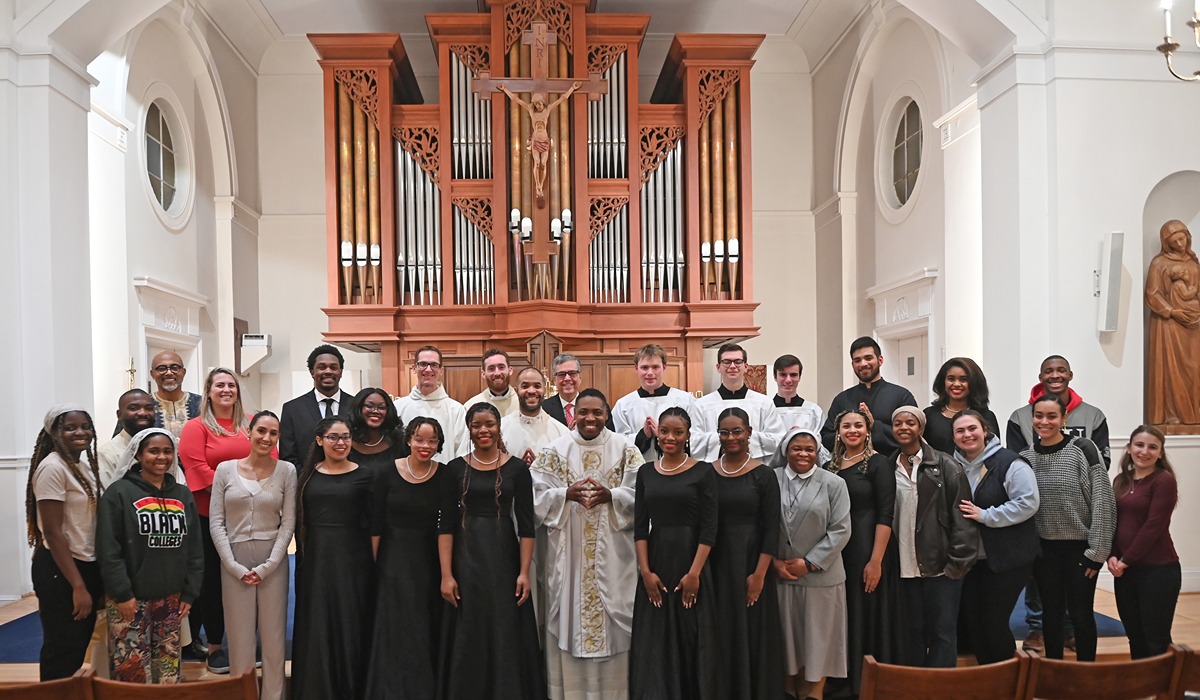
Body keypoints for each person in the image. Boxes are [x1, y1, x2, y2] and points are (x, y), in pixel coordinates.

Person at [530, 389, 643, 700]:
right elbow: (533, 499)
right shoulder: (554, 451)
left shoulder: (626, 450)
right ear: (573, 414)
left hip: (615, 556)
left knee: (614, 624)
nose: (590, 418)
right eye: (583, 412)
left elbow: (643, 497)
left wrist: (614, 496)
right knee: (568, 618)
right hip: (570, 559)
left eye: (597, 412)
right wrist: (563, 495)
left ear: (607, 414)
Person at [438, 403, 545, 699]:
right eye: (476, 425)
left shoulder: (517, 469)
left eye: (489, 424)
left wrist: (524, 572)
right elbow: (445, 525)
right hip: (465, 556)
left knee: (503, 626)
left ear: (499, 427)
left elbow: (527, 525)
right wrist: (446, 574)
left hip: (503, 557)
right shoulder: (455, 469)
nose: (483, 430)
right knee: (469, 626)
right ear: (469, 430)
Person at [1006, 354, 1111, 653]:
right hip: (1043, 550)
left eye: (1052, 417)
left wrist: (1097, 552)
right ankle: (1054, 675)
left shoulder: (1084, 450)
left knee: (1080, 615)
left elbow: (1103, 501)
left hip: (1080, 549)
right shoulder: (1026, 458)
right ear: (1032, 418)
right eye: (1039, 416)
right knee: (1050, 615)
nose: (1044, 422)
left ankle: (1085, 681)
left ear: (1063, 419)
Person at [96, 428, 203, 684]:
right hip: (130, 601)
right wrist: (122, 593)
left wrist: (189, 592)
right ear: (138, 455)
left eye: (167, 451)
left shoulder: (182, 494)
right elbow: (109, 549)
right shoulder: (119, 493)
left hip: (171, 599)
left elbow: (194, 549)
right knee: (132, 672)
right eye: (153, 451)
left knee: (167, 670)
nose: (161, 457)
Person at [629, 407, 719, 700]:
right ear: (657, 433)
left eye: (677, 432)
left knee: (691, 634)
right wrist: (645, 572)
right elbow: (640, 527)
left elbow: (709, 528)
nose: (670, 437)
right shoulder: (645, 472)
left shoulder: (704, 471)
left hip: (692, 560)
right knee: (656, 637)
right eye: (665, 431)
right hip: (656, 559)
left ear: (687, 436)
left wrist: (695, 574)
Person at [365, 416, 456, 699]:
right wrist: (373, 568)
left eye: (431, 440)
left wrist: (446, 574)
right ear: (408, 440)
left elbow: (446, 527)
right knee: (393, 627)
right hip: (393, 559)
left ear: (439, 443)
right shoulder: (385, 472)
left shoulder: (444, 475)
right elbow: (375, 525)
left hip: (428, 561)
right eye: (419, 439)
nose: (425, 445)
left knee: (422, 628)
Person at [208, 411, 296, 700]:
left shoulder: (287, 471)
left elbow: (289, 523)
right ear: (249, 432)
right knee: (239, 638)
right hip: (233, 559)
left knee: (272, 640)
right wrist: (231, 564)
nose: (266, 438)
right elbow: (216, 522)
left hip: (272, 560)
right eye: (261, 431)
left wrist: (270, 565)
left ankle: (273, 696)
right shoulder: (225, 470)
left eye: (273, 433)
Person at [178, 367, 259, 674]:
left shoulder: (250, 424)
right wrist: (242, 488)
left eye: (231, 385)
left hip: (249, 517)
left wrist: (253, 491)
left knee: (248, 578)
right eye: (219, 385)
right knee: (212, 582)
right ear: (208, 391)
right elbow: (196, 468)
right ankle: (214, 646)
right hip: (208, 516)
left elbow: (269, 459)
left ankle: (246, 641)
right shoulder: (196, 427)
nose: (226, 390)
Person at [291, 417, 376, 700]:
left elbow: (374, 525)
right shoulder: (307, 475)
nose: (341, 443)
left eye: (346, 437)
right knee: (317, 622)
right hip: (314, 561)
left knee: (349, 623)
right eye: (334, 437)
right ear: (319, 441)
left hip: (352, 561)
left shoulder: (365, 475)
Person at [891, 406, 979, 667]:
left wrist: (956, 565)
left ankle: (941, 690)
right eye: (898, 423)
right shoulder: (887, 466)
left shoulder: (946, 466)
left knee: (942, 634)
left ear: (921, 428)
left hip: (941, 568)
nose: (904, 427)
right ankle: (917, 688)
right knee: (912, 634)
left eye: (910, 422)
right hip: (904, 569)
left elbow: (962, 518)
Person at [953, 410, 1040, 665]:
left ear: (985, 430)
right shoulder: (952, 465)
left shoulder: (1010, 463)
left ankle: (1007, 682)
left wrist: (986, 515)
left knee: (994, 622)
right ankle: (986, 682)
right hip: (972, 559)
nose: (967, 435)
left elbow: (1028, 502)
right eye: (960, 431)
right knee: (974, 624)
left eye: (972, 428)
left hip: (1007, 558)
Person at [770, 427, 851, 700]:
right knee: (787, 644)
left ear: (818, 453)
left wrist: (809, 563)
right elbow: (759, 524)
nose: (803, 454)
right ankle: (789, 691)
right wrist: (773, 563)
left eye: (809, 449)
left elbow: (841, 530)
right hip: (782, 576)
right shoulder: (771, 479)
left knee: (818, 644)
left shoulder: (833, 483)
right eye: (796, 448)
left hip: (821, 580)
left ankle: (814, 694)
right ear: (785, 451)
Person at [709, 408, 784, 700]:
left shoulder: (764, 475)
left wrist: (759, 574)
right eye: (725, 432)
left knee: (752, 630)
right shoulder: (708, 472)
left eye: (737, 431)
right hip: (717, 562)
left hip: (752, 561)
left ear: (749, 433)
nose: (731, 437)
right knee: (722, 629)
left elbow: (771, 527)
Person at [26, 405, 103, 681]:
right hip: (62, 570)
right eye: (70, 427)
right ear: (54, 433)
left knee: (75, 647)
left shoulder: (81, 465)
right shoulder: (52, 467)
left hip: (84, 563)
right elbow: (53, 531)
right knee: (62, 649)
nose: (80, 432)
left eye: (85, 426)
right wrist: (78, 586)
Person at [829, 408, 903, 694]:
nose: (852, 431)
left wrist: (876, 560)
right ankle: (845, 679)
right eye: (846, 426)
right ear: (838, 432)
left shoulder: (878, 464)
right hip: (840, 549)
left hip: (870, 546)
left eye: (858, 425)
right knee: (846, 612)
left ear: (868, 430)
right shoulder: (831, 466)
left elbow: (886, 513)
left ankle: (872, 682)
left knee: (868, 612)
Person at [1108, 425, 1181, 659]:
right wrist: (1111, 555)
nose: (1144, 451)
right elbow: (1112, 521)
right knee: (1135, 635)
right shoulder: (1120, 481)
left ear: (1160, 453)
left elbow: (1154, 526)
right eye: (1139, 445)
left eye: (1152, 447)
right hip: (1126, 572)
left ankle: (1166, 692)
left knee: (1156, 637)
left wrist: (1126, 559)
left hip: (1158, 571)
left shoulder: (1164, 481)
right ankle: (1142, 688)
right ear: (1129, 448)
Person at [1145, 219, 1200, 425]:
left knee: (1193, 368)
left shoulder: (1194, 264)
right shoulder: (1159, 264)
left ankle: (1193, 414)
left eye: (1182, 238)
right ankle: (1173, 415)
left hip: (1192, 324)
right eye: (1174, 240)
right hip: (1168, 325)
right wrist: (1172, 311)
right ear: (1166, 243)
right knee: (1170, 367)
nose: (1179, 243)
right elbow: (1152, 294)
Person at [821, 337, 917, 455]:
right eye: (857, 360)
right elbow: (826, 438)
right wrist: (852, 436)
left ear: (880, 360)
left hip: (892, 467)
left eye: (868, 358)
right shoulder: (842, 399)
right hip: (849, 469)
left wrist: (874, 426)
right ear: (852, 364)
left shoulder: (901, 396)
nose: (863, 364)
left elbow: (912, 436)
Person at [692, 343, 784, 461]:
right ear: (718, 367)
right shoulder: (702, 405)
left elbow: (778, 440)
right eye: (726, 362)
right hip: (715, 472)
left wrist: (745, 437)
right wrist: (727, 436)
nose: (732, 366)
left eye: (738, 361)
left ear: (746, 366)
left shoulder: (764, 403)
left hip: (754, 469)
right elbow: (694, 443)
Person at [612, 344, 699, 462]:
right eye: (644, 367)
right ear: (636, 368)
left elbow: (695, 437)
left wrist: (666, 433)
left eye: (655, 367)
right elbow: (617, 441)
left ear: (664, 367)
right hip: (638, 469)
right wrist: (642, 436)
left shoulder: (685, 400)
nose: (650, 373)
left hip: (677, 467)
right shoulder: (623, 405)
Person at [279, 344, 353, 467]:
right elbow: (288, 457)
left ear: (340, 372)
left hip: (351, 482)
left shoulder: (356, 406)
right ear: (312, 372)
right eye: (322, 367)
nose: (328, 371)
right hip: (307, 481)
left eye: (333, 367)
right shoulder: (292, 409)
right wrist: (309, 480)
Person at [395, 345, 469, 463]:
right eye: (423, 364)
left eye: (434, 365)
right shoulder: (397, 407)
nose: (428, 369)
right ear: (414, 368)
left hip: (444, 477)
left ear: (441, 370)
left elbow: (463, 451)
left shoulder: (456, 410)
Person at [99, 389, 179, 488]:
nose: (142, 413)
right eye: (133, 408)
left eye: (148, 408)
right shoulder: (107, 453)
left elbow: (179, 485)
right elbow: (108, 495)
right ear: (119, 415)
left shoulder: (163, 449)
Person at [923, 358, 999, 455]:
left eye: (964, 379)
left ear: (974, 383)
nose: (956, 384)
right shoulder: (930, 415)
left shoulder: (986, 416)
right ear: (943, 382)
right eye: (951, 379)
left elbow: (995, 454)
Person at [501, 367, 571, 466]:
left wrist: (540, 470)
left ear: (545, 390)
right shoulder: (501, 429)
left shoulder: (562, 433)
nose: (531, 391)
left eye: (537, 386)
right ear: (516, 391)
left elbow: (567, 471)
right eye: (525, 386)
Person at [543, 353, 614, 431]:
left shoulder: (599, 406)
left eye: (572, 373)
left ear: (580, 377)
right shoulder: (543, 409)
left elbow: (609, 437)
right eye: (561, 374)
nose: (567, 378)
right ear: (554, 380)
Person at [347, 387, 408, 472]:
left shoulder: (400, 442)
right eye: (369, 406)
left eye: (381, 407)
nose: (375, 411)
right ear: (358, 408)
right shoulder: (345, 442)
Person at [147, 351, 202, 439]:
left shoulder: (201, 403)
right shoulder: (143, 404)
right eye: (161, 368)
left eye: (175, 367)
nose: (169, 372)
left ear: (183, 372)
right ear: (152, 374)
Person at [466, 348, 520, 417]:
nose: (497, 373)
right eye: (491, 368)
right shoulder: (471, 406)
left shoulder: (522, 402)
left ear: (510, 370)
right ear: (483, 374)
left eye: (501, 367)